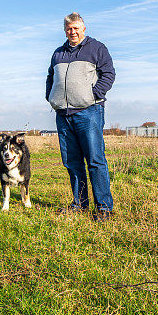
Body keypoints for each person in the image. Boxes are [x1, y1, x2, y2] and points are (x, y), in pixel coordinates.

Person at [45, 12, 115, 220]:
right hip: (63, 115)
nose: (72, 31)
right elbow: (50, 77)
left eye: (76, 28)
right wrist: (51, 97)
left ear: (83, 28)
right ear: (64, 30)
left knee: (95, 160)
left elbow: (109, 74)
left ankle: (104, 208)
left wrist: (92, 95)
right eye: (68, 28)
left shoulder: (96, 48)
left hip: (89, 112)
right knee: (72, 162)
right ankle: (80, 204)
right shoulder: (58, 53)